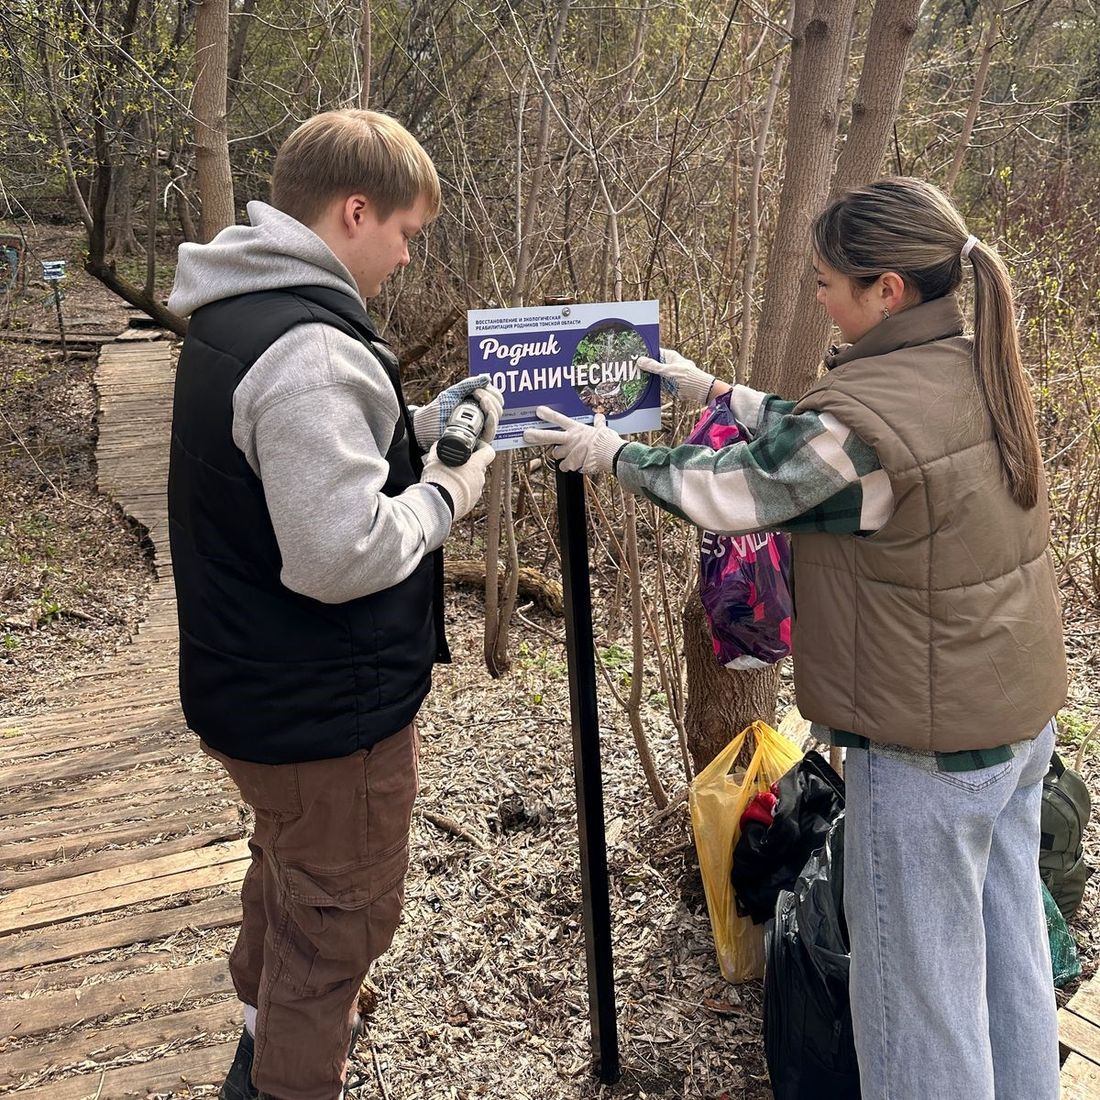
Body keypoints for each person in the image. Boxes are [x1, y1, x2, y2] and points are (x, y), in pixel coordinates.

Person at [525, 177, 1067, 1100]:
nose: (817, 295)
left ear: (885, 289)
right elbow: (836, 455)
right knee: (1004, 955)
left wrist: (614, 455)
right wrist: (722, 395)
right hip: (1014, 725)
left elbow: (741, 491)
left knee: (917, 1003)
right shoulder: (970, 361)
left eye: (826, 282)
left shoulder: (868, 417)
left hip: (929, 752)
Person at [166, 109, 501, 1100]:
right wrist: (448, 490)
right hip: (322, 712)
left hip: (255, 692)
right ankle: (286, 1071)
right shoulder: (310, 348)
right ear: (355, 210)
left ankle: (257, 1032)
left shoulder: (241, 310)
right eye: (404, 232)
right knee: (339, 925)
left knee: (290, 878)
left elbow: (305, 456)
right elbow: (339, 550)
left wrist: (426, 426)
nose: (405, 255)